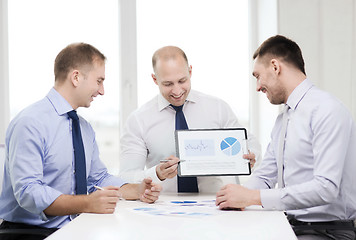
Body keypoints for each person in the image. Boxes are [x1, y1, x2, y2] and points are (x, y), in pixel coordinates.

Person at [0, 43, 162, 239]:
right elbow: (28, 192)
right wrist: (86, 203)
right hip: (29, 233)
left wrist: (137, 190)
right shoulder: (30, 123)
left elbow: (99, 178)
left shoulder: (84, 128)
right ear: (76, 77)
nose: (102, 91)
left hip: (76, 227)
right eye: (99, 81)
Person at [215, 35, 356, 239]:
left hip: (327, 231)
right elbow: (265, 175)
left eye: (257, 76)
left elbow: (326, 188)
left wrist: (253, 197)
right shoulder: (284, 119)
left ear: (275, 66)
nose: (257, 87)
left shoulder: (327, 110)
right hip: (291, 224)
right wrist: (233, 197)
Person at [119, 46, 261, 193]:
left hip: (219, 204)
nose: (177, 91)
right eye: (168, 84)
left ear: (190, 72)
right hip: (165, 209)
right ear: (155, 79)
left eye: (182, 81)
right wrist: (156, 173)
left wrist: (250, 154)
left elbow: (249, 142)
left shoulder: (217, 108)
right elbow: (126, 178)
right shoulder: (138, 120)